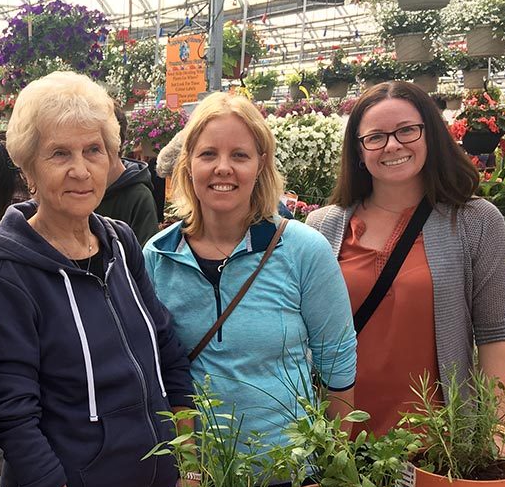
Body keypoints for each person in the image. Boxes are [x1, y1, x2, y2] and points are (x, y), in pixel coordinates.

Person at [0, 71, 191, 487]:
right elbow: (14, 418)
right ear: (27, 168)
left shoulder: (121, 242)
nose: (80, 169)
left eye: (94, 149)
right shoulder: (6, 273)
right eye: (58, 154)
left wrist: (187, 468)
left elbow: (166, 350)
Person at [144, 92, 357, 451]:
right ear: (188, 164)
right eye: (208, 154)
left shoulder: (304, 250)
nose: (222, 167)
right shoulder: (158, 256)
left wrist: (332, 464)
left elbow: (337, 365)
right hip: (194, 476)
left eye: (239, 155)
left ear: (260, 165)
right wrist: (185, 467)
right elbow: (156, 371)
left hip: (288, 471)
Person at [307, 81, 505, 437]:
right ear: (359, 151)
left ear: (431, 136)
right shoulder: (323, 227)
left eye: (407, 130)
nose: (392, 145)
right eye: (375, 137)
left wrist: (494, 430)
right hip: (337, 449)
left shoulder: (476, 222)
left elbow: (498, 333)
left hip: (438, 446)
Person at [95, 104, 160, 245]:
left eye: (94, 148)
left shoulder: (138, 197)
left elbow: (145, 261)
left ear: (115, 143)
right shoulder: (83, 189)